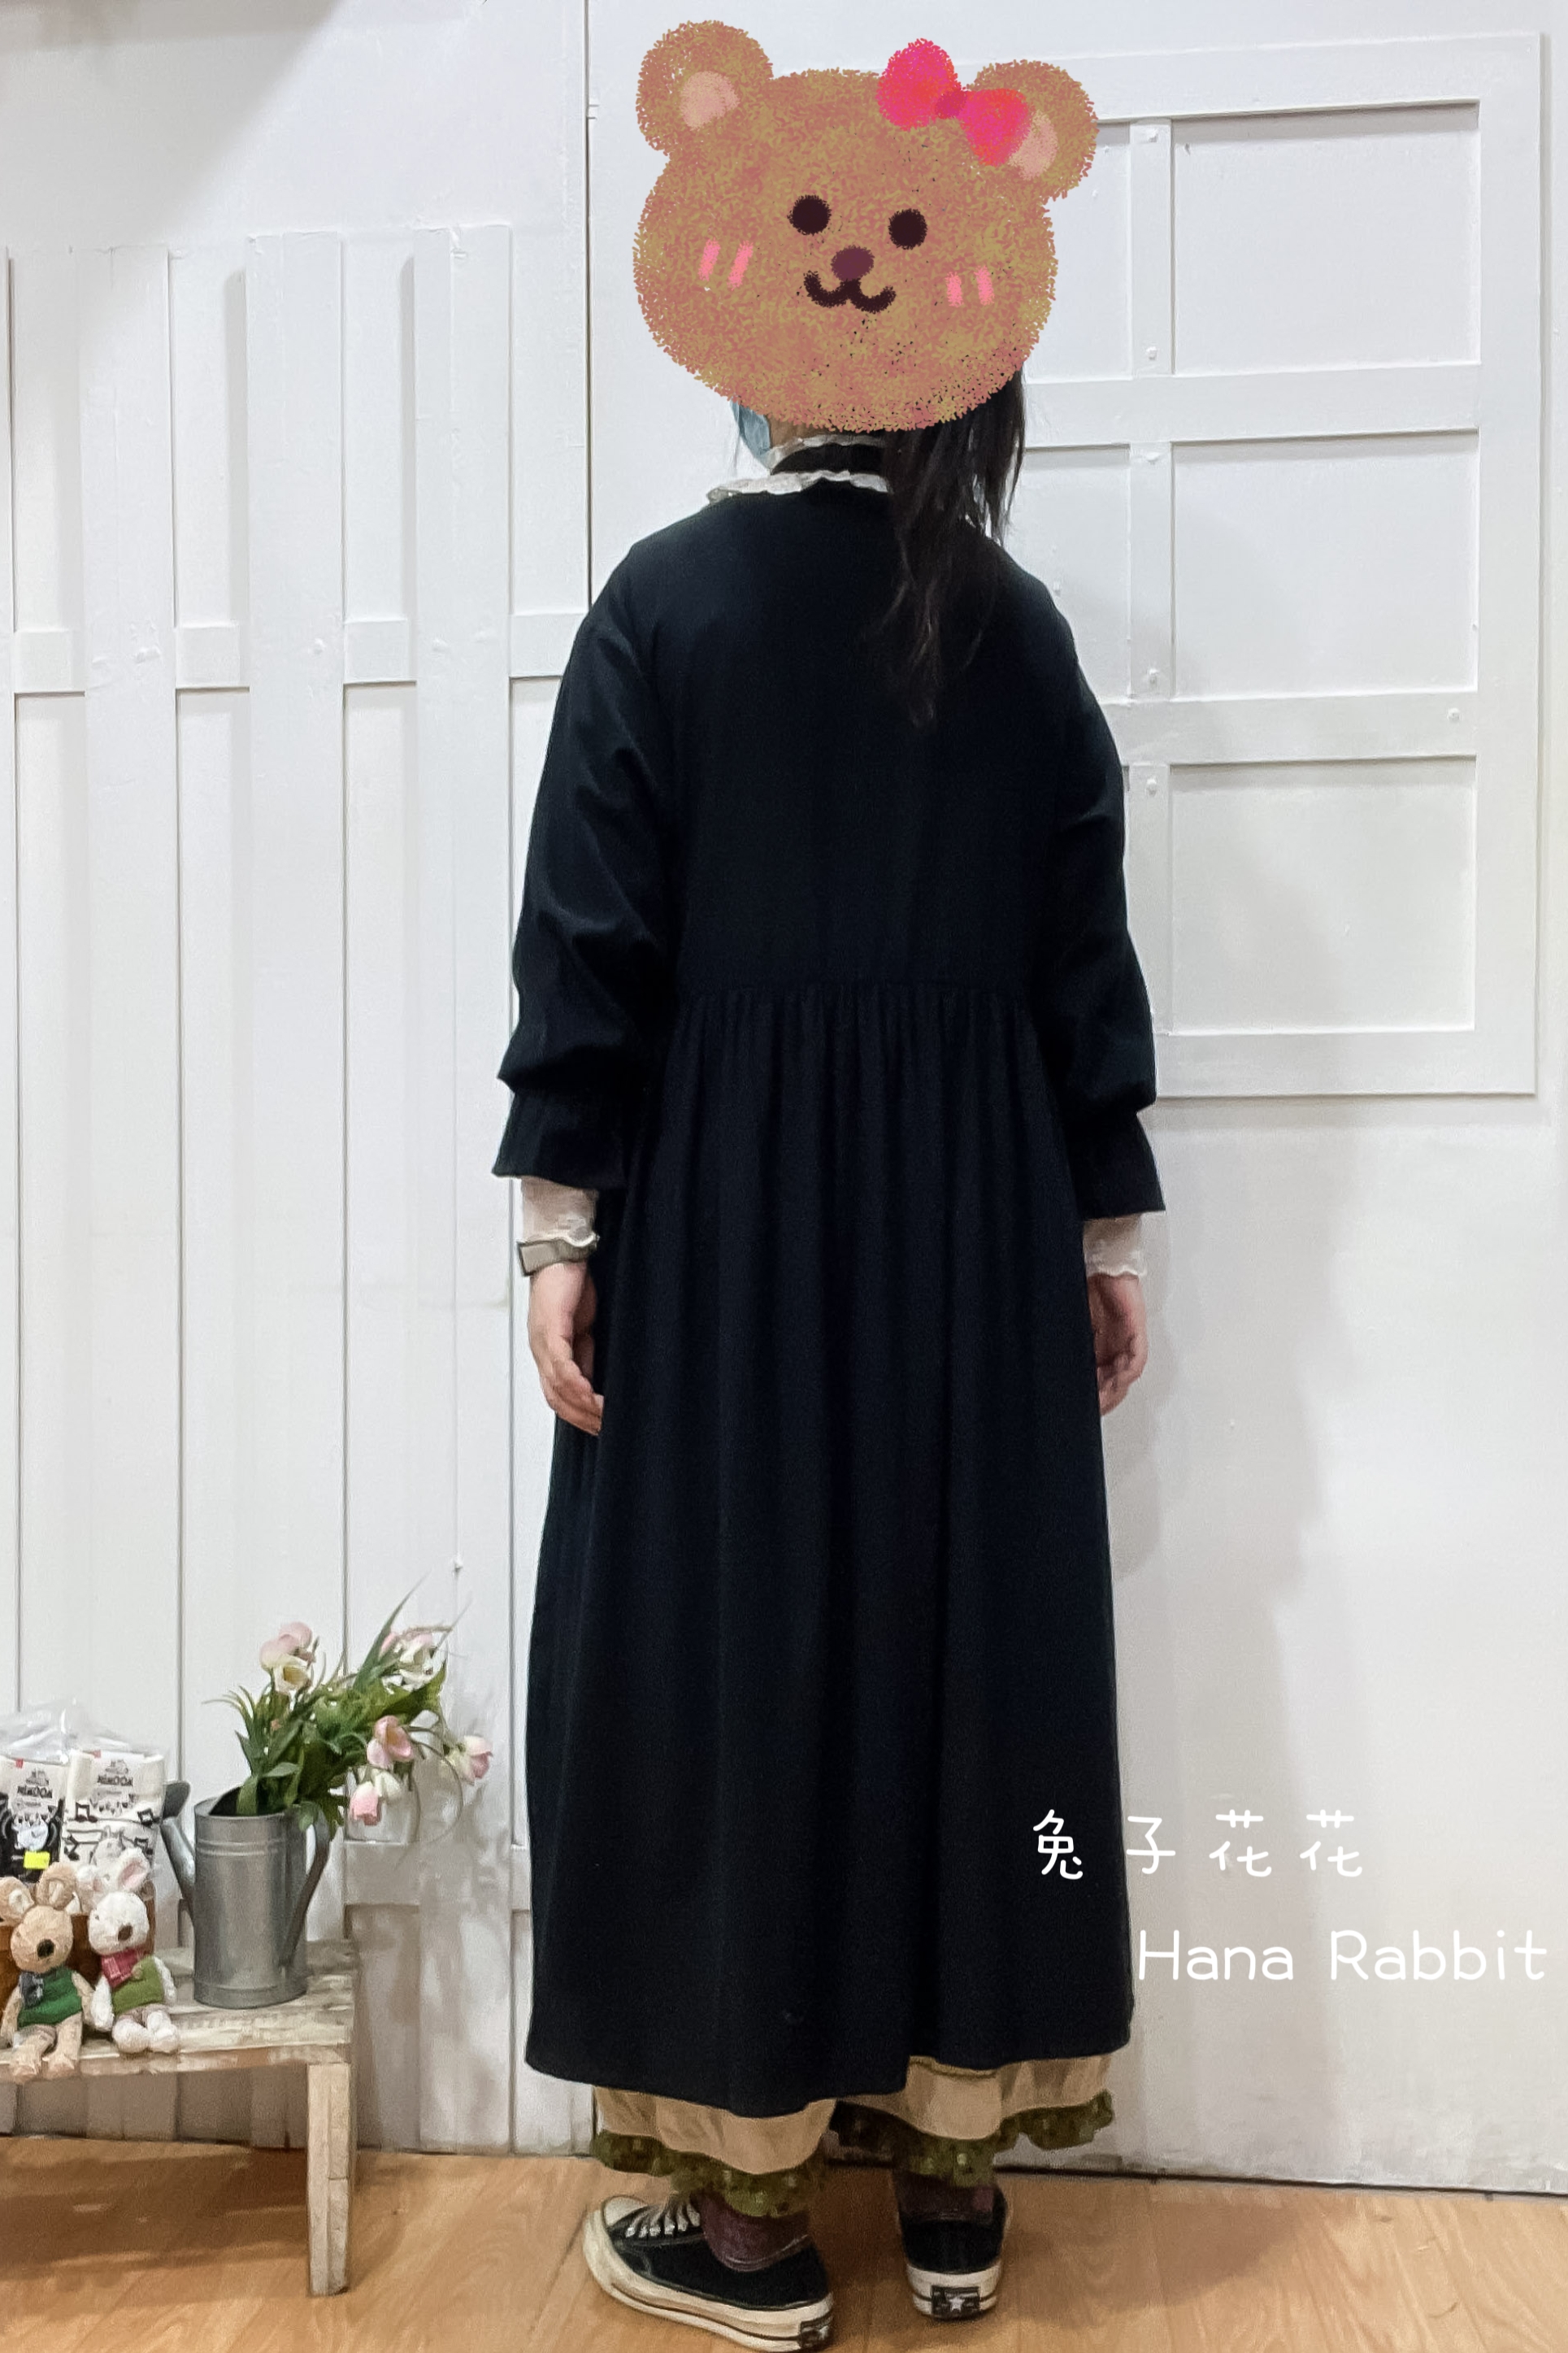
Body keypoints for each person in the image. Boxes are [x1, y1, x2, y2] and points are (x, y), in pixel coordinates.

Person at [493, 375, 1163, 2348]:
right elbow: (1079, 947)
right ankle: (953, 2195)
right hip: (975, 1217)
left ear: (756, 369)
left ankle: (752, 2238)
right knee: (973, 1652)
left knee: (730, 1651)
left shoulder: (666, 604)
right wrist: (1098, 1233)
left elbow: (588, 935)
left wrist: (559, 1228)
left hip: (726, 1218)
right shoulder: (1010, 622)